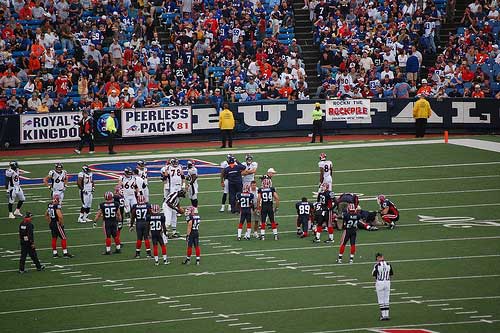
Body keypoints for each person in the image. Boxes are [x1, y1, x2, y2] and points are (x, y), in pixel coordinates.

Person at [373, 252, 394, 321]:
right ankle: (387, 315)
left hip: (380, 282)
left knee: (381, 299)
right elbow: (391, 274)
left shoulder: (377, 265)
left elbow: (374, 275)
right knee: (387, 299)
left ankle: (383, 315)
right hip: (387, 282)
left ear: (378, 258)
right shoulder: (389, 264)